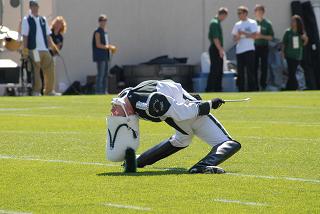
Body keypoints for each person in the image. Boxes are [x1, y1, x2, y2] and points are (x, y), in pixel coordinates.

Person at [109, 80, 241, 174]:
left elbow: (180, 110)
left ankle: (138, 161)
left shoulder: (147, 101)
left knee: (182, 140)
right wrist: (208, 104)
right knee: (227, 143)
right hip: (184, 115)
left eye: (115, 107)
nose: (114, 111)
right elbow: (176, 103)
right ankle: (202, 166)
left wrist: (206, 104)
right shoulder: (136, 95)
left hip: (188, 113)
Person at [21, 0, 59, 96]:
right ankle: (36, 91)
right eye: (33, 6)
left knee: (50, 67)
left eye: (36, 6)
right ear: (30, 7)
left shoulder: (43, 19)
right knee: (36, 70)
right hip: (34, 49)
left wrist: (53, 47)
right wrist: (25, 50)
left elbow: (48, 36)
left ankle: (49, 91)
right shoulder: (27, 19)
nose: (35, 8)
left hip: (44, 49)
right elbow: (25, 36)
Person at [232, 6, 259, 92]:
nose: (239, 15)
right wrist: (239, 36)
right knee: (240, 72)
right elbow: (234, 39)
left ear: (245, 13)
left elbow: (255, 36)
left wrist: (244, 33)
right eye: (238, 13)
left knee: (250, 71)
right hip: (239, 50)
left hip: (249, 50)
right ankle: (241, 90)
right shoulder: (237, 24)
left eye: (240, 13)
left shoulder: (252, 23)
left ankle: (252, 89)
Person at [282, 15, 308, 90]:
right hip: (288, 55)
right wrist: (283, 54)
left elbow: (304, 44)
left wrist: (305, 39)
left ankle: (290, 87)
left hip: (297, 55)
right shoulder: (288, 32)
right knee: (291, 72)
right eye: (292, 21)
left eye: (294, 21)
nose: (292, 22)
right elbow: (284, 44)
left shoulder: (301, 32)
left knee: (292, 72)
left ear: (298, 22)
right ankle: (293, 87)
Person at [92, 14, 117, 94]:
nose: (103, 22)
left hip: (106, 56)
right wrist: (109, 47)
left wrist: (110, 48)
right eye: (102, 21)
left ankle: (104, 91)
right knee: (101, 75)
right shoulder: (97, 32)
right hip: (100, 56)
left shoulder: (105, 32)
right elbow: (98, 44)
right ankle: (98, 91)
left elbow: (106, 43)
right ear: (99, 22)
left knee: (106, 75)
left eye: (105, 21)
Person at [206, 7, 228, 92]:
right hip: (215, 48)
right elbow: (215, 38)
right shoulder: (215, 23)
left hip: (216, 47)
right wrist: (220, 49)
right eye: (224, 16)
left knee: (218, 69)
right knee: (215, 69)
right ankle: (212, 88)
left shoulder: (216, 22)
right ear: (222, 14)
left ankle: (217, 88)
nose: (224, 18)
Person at [254, 5, 274, 90]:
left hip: (264, 46)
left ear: (263, 12)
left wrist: (261, 36)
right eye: (257, 11)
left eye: (260, 11)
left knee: (264, 67)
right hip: (254, 47)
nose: (258, 13)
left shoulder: (267, 23)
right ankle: (255, 86)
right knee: (254, 66)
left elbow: (271, 37)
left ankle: (263, 85)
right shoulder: (253, 23)